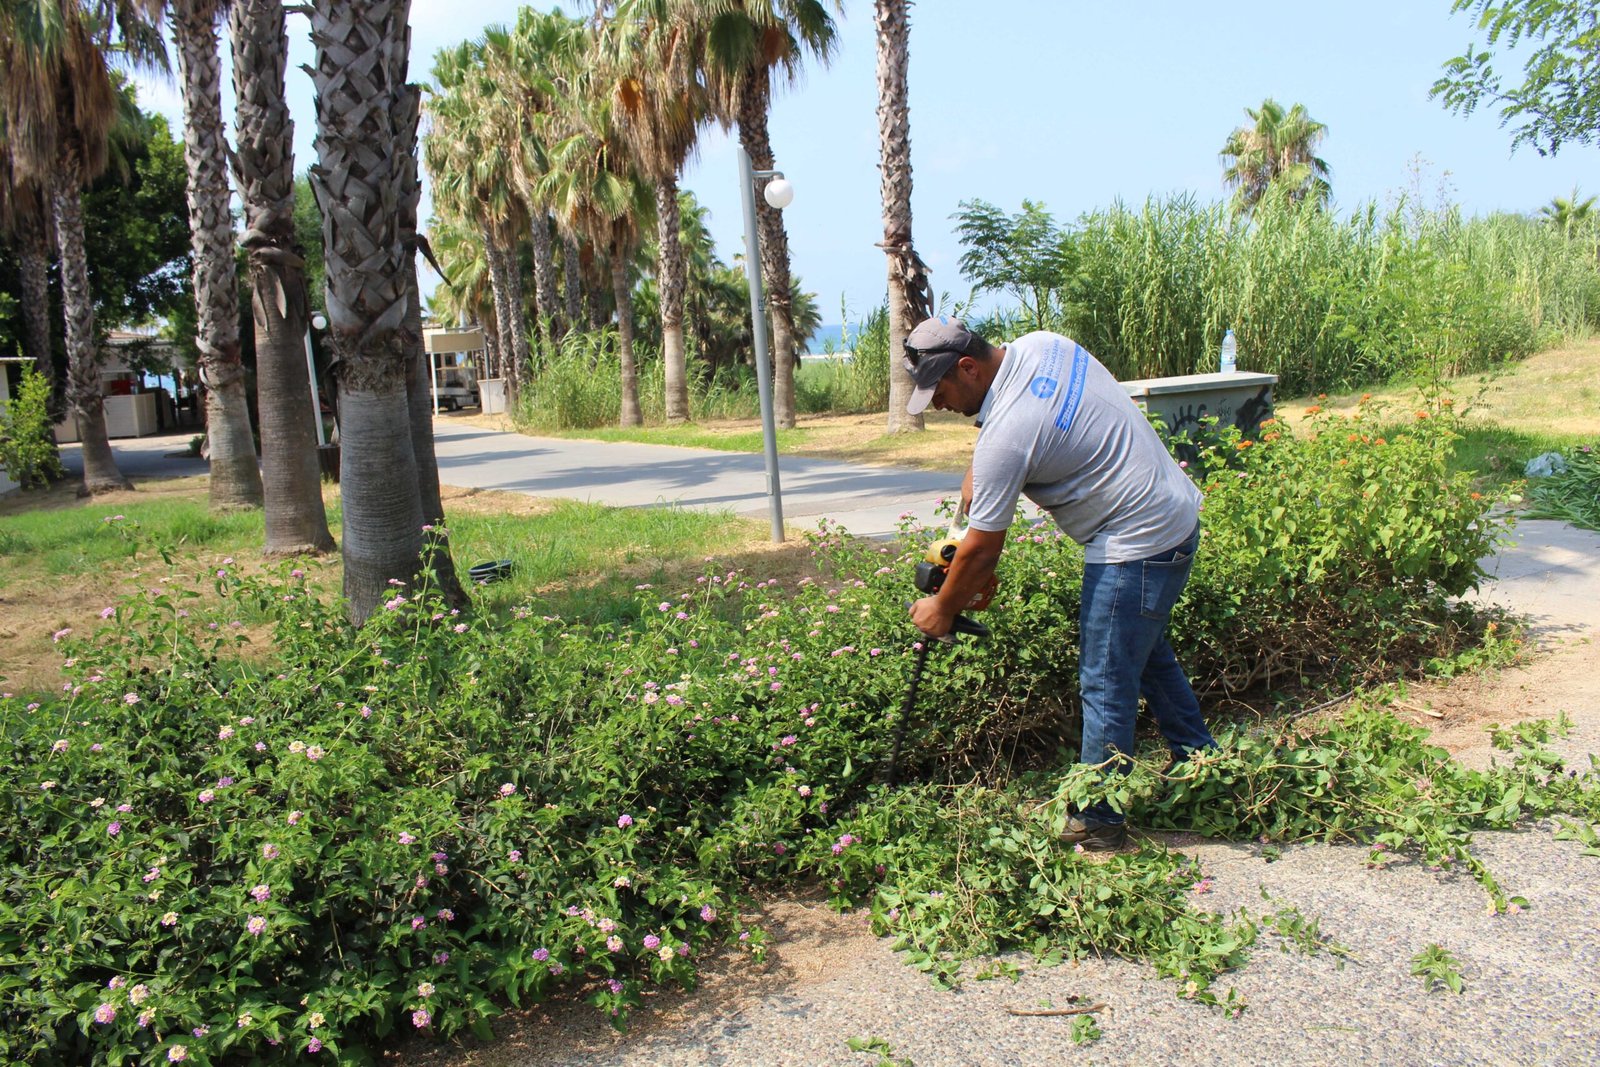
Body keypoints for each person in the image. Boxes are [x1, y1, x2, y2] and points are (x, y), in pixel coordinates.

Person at [904, 316, 1214, 851]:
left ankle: (1098, 820)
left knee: (1105, 678)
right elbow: (1000, 446)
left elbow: (983, 550)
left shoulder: (1008, 434)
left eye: (940, 390)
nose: (936, 404)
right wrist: (974, 491)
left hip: (1137, 541)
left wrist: (943, 608)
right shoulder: (1042, 347)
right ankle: (1201, 764)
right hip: (1172, 514)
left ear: (968, 368)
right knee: (1143, 654)